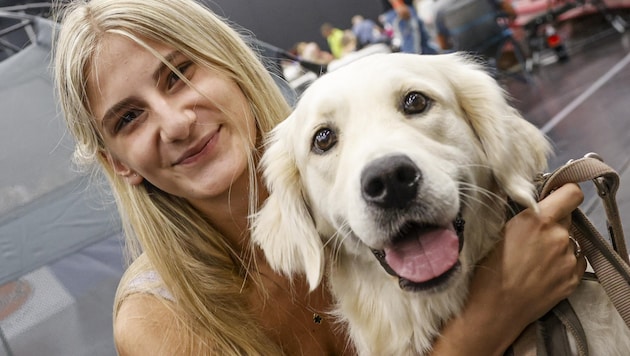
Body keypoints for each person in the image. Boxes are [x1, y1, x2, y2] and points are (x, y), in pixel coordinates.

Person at [53, 0, 586, 354]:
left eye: (179, 74)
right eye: (128, 118)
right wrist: (487, 321)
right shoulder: (155, 323)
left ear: (232, 65)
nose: (175, 124)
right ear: (117, 162)